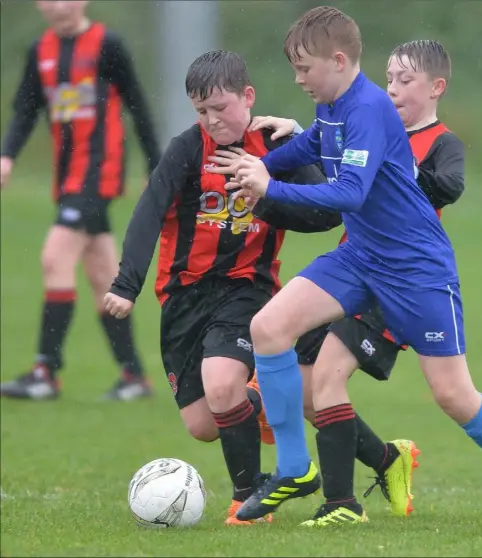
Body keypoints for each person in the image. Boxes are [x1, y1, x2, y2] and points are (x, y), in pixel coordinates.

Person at [206, 6, 482, 526]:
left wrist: (268, 185)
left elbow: (350, 193)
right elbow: (312, 143)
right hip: (360, 257)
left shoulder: (369, 108)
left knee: (454, 395)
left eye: (304, 68)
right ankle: (293, 468)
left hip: (416, 268)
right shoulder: (334, 104)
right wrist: (259, 162)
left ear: (337, 60)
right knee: (268, 327)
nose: (298, 78)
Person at [103, 49, 341, 525]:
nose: (211, 121)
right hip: (183, 298)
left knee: (220, 383)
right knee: (203, 424)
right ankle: (262, 396)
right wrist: (126, 284)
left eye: (220, 108)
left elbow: (327, 211)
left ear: (247, 96)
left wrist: (272, 186)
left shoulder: (276, 147)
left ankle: (249, 500)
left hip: (246, 290)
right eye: (201, 111)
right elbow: (147, 213)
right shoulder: (187, 150)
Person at [232, 39, 465, 518]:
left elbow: (445, 186)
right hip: (352, 267)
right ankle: (383, 460)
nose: (394, 88)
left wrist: (401, 169)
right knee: (304, 390)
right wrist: (293, 138)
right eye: (390, 78)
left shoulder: (438, 141)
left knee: (330, 380)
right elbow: (334, 146)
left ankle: (341, 504)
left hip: (400, 278)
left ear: (436, 87)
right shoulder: (361, 118)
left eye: (406, 80)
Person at [0, 0, 161, 401]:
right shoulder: (42, 51)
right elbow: (24, 111)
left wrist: (157, 166)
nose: (57, 5)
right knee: (102, 273)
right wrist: (7, 155)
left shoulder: (107, 44)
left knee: (55, 257)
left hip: (99, 173)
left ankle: (45, 371)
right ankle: (135, 376)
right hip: (66, 177)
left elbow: (138, 104)